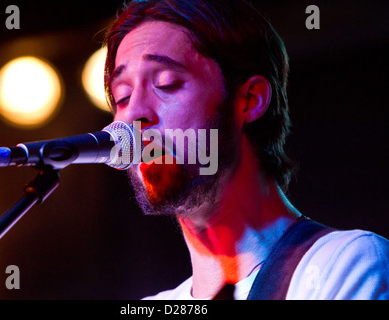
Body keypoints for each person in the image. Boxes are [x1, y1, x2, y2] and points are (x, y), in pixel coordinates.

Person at [102, 0, 389, 299]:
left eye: (167, 83)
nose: (133, 113)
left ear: (250, 100)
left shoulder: (343, 264)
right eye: (122, 96)